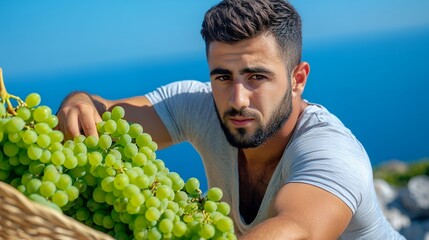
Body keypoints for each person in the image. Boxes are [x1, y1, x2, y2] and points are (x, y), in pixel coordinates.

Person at [56, 0, 405, 239]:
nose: (237, 100)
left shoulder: (331, 151)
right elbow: (102, 114)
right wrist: (78, 102)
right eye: (223, 77)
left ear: (297, 79)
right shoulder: (198, 106)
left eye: (257, 77)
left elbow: (299, 229)